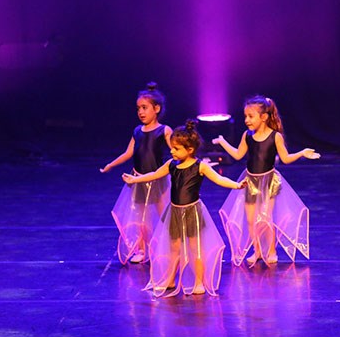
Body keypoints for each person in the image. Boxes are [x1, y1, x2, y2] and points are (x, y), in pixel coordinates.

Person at [122, 120, 246, 297]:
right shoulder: (171, 165)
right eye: (172, 147)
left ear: (190, 150)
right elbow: (154, 174)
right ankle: (171, 279)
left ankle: (199, 281)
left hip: (192, 212)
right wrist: (135, 179)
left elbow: (219, 179)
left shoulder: (200, 166)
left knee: (195, 248)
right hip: (174, 212)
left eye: (176, 148)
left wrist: (237, 185)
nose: (172, 151)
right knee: (174, 249)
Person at [212, 95, 319, 266]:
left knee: (265, 218)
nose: (247, 120)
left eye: (251, 116)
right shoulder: (247, 136)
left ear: (264, 117)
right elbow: (238, 155)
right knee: (250, 219)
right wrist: (223, 142)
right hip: (250, 182)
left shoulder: (275, 136)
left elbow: (285, 158)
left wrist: (301, 153)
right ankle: (257, 251)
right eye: (245, 116)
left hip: (269, 182)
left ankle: (271, 250)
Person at [100, 82, 172, 264]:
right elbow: (128, 153)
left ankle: (170, 246)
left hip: (157, 179)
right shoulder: (137, 131)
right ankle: (142, 249)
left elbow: (176, 152)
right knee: (141, 218)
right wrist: (110, 165)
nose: (141, 112)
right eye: (138, 108)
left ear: (156, 108)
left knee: (165, 214)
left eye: (145, 107)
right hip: (138, 179)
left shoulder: (164, 130)